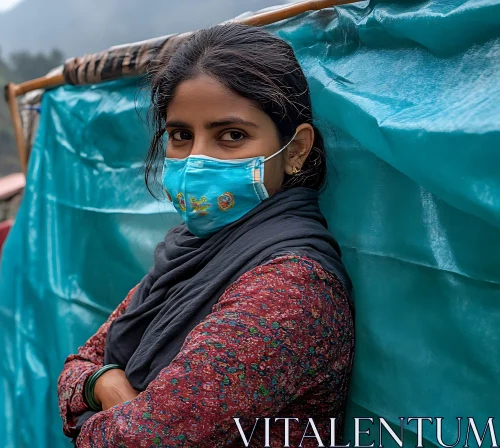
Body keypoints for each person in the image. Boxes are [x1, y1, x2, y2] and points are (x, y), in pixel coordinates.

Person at [57, 23, 355, 447]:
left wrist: (93, 399)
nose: (197, 159)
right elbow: (76, 366)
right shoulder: (184, 256)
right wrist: (103, 383)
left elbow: (142, 440)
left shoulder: (291, 287)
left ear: (295, 150)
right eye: (181, 135)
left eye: (231, 135)